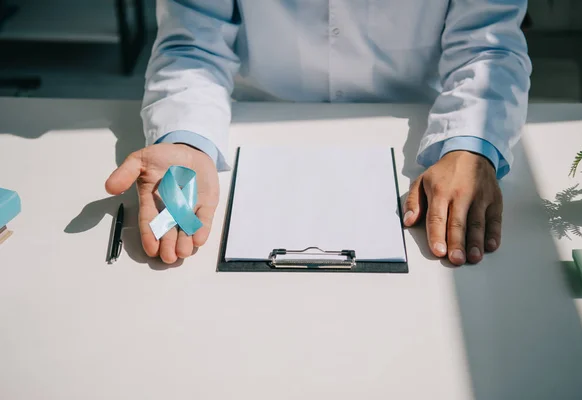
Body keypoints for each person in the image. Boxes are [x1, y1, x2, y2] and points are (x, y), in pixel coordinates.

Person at [105, 1, 531, 266]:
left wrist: (470, 142)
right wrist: (185, 137)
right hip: (253, 127)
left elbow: (488, 45)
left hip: (421, 137)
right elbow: (193, 43)